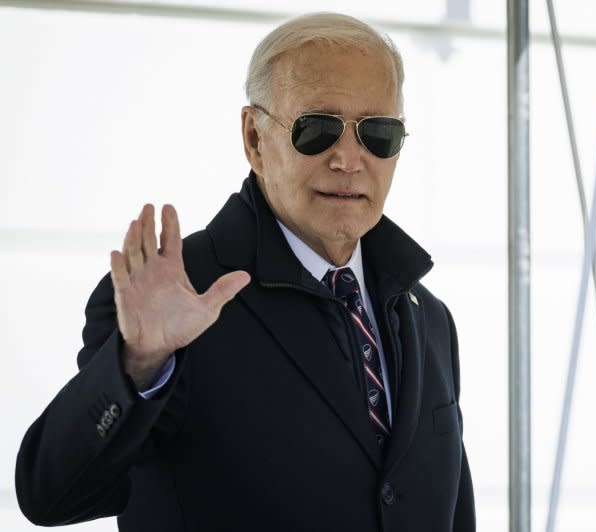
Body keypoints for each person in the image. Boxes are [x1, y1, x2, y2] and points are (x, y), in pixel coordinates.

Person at [15, 11, 475, 532]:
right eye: (317, 130)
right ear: (255, 139)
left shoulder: (429, 319)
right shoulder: (173, 298)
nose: (349, 158)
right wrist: (138, 364)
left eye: (379, 134)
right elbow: (49, 497)